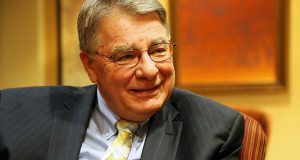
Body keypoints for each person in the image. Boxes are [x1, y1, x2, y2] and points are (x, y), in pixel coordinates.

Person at [0, 0, 244, 159]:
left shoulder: (213, 132)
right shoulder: (12, 114)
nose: (150, 71)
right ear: (90, 66)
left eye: (159, 50)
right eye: (127, 56)